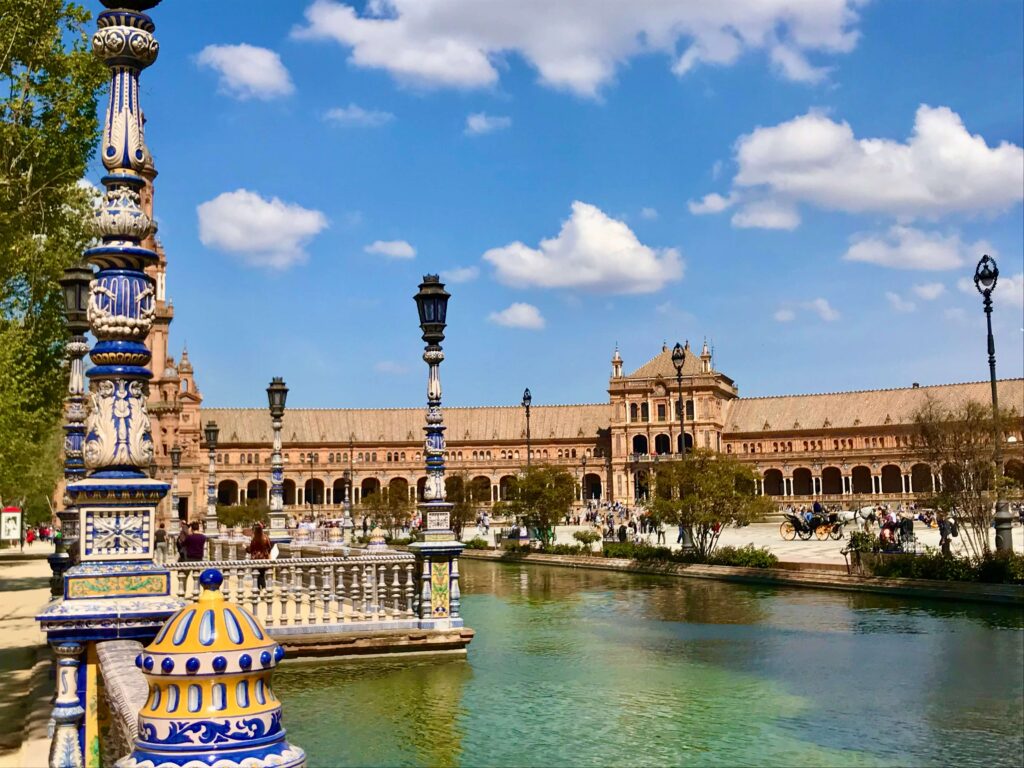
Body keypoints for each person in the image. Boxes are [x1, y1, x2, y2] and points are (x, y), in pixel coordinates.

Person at [246, 523, 272, 591]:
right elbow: (269, 547)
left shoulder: (254, 539)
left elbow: (250, 550)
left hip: (255, 559)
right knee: (262, 575)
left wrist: (246, 548)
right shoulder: (266, 537)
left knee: (256, 576)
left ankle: (258, 590)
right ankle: (263, 588)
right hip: (264, 559)